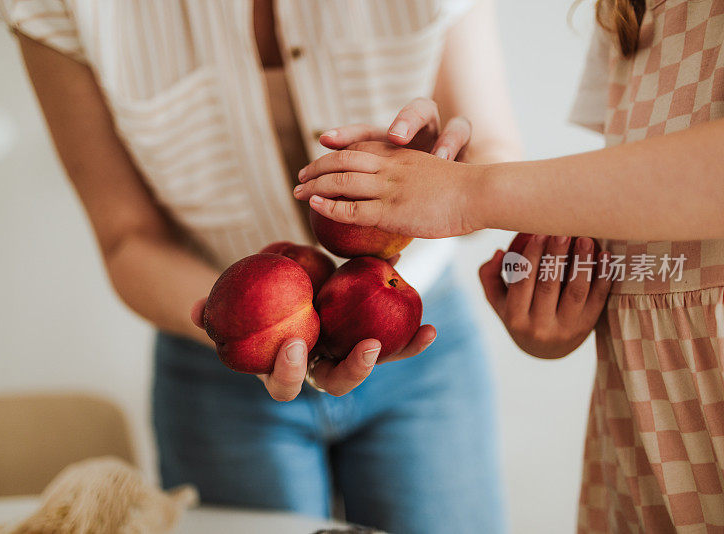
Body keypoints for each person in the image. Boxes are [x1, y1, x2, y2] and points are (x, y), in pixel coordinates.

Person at [0, 0, 520, 532]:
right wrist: (253, 327)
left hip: (420, 358)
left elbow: (494, 153)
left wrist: (447, 180)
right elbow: (127, 237)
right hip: (217, 369)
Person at [295, 0, 724, 529]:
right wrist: (565, 307)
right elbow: (639, 197)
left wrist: (469, 193)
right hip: (645, 411)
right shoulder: (626, 9)